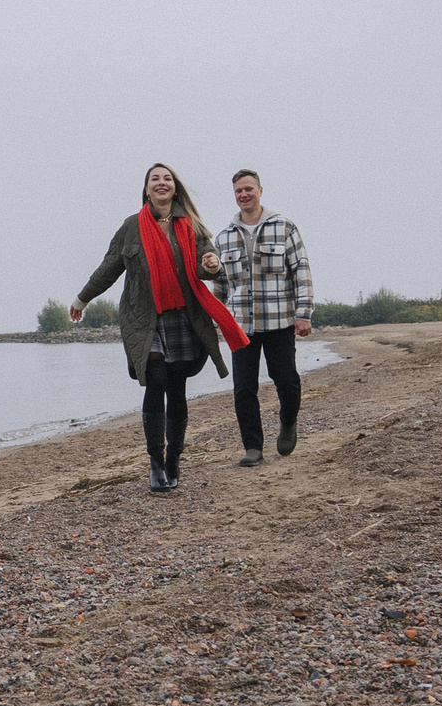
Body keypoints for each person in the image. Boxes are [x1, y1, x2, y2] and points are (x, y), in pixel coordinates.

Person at [71, 164, 250, 493]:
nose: (162, 183)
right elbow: (109, 266)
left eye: (167, 178)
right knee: (154, 378)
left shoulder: (190, 225)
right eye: (155, 179)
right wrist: (83, 299)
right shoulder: (131, 228)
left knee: (177, 386)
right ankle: (155, 463)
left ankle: (174, 460)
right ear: (147, 189)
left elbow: (207, 259)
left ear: (174, 187)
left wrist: (211, 262)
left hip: (183, 316)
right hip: (144, 318)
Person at [209, 168, 313, 467]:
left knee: (287, 381)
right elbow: (220, 286)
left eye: (248, 189)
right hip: (241, 325)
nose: (244, 195)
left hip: (279, 320)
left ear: (260, 191)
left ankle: (288, 421)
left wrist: (303, 314)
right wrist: (218, 321)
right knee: (243, 389)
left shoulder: (284, 227)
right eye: (239, 191)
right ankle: (253, 448)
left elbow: (301, 273)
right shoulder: (224, 237)